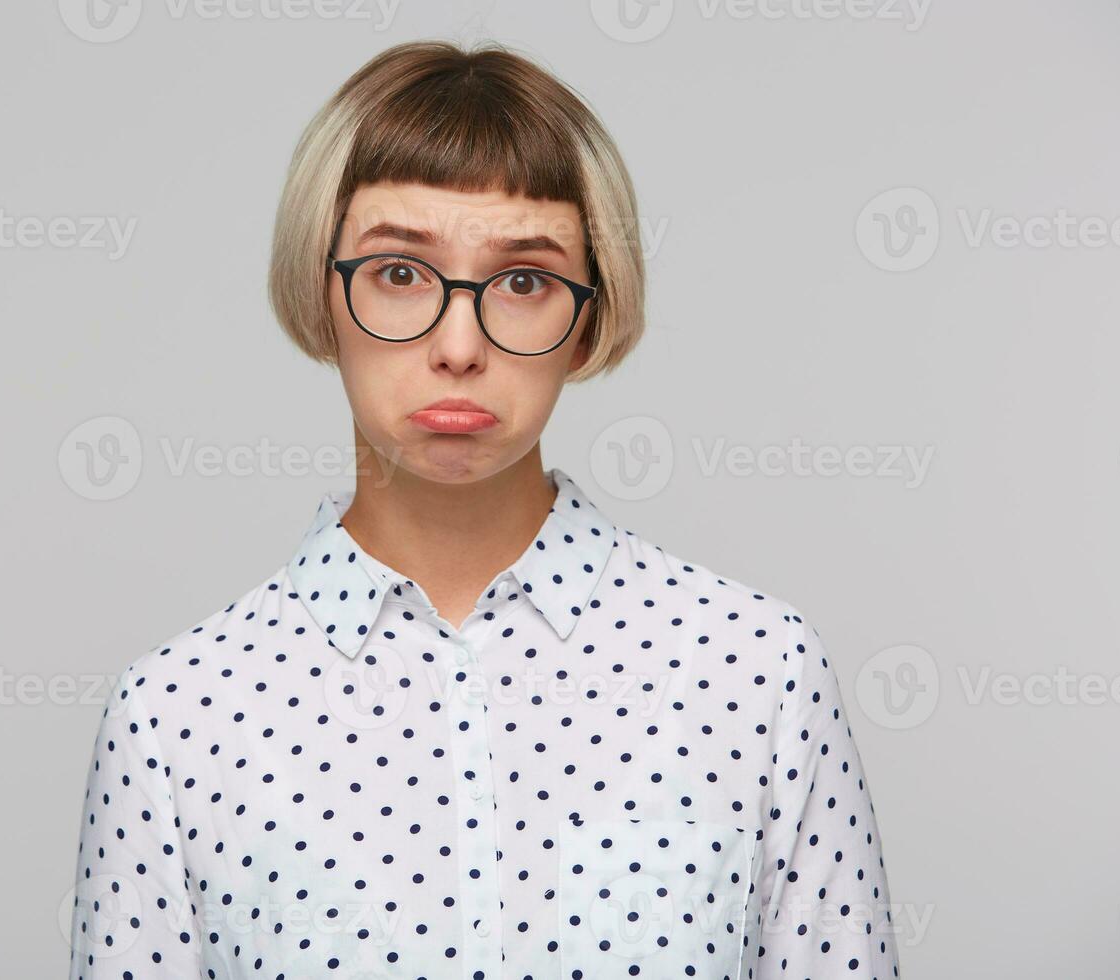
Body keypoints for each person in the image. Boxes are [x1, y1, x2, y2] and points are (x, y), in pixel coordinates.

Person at [68, 39, 899, 980]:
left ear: (589, 314)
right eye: (398, 273)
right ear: (318, 288)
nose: (458, 346)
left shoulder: (757, 672)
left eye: (523, 281)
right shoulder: (178, 716)